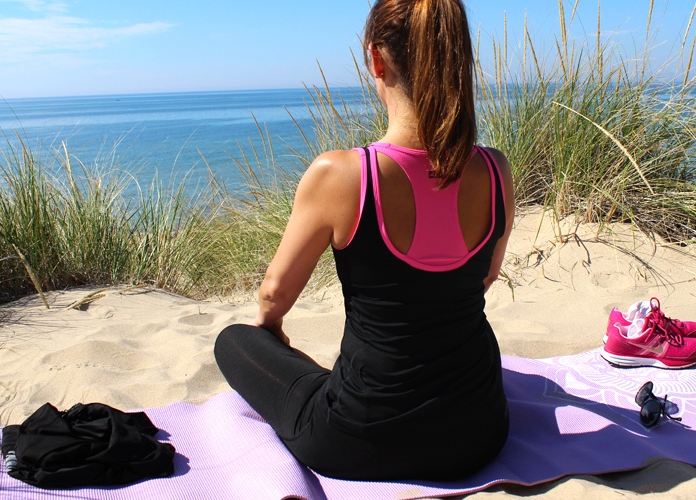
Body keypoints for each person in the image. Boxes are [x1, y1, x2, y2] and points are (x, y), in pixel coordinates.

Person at [214, 0, 515, 481]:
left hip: (361, 439)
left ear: (376, 59)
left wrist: (270, 332)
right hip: (479, 432)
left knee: (235, 341)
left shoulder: (343, 174)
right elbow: (485, 277)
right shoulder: (496, 170)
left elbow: (274, 294)